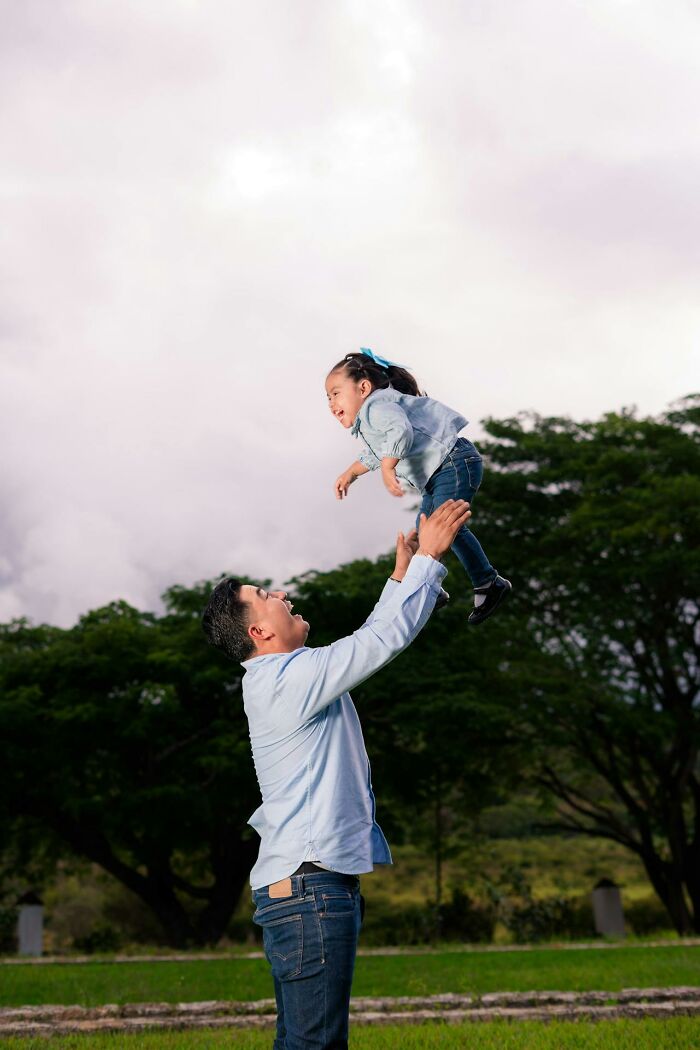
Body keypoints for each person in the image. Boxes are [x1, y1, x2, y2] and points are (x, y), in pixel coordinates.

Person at [201, 500, 471, 1050]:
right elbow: (376, 645)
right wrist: (430, 562)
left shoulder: (288, 675)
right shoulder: (284, 680)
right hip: (309, 888)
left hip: (307, 887)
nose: (282, 595)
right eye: (267, 596)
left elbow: (366, 642)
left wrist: (401, 578)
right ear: (258, 629)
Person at [326, 347, 512, 626]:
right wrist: (351, 473)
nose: (331, 402)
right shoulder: (372, 417)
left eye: (336, 393)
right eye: (327, 398)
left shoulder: (377, 407)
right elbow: (377, 451)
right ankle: (430, 589)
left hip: (453, 462)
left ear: (363, 387)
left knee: (446, 525)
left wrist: (389, 467)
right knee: (427, 531)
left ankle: (488, 582)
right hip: (441, 472)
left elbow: (401, 431)